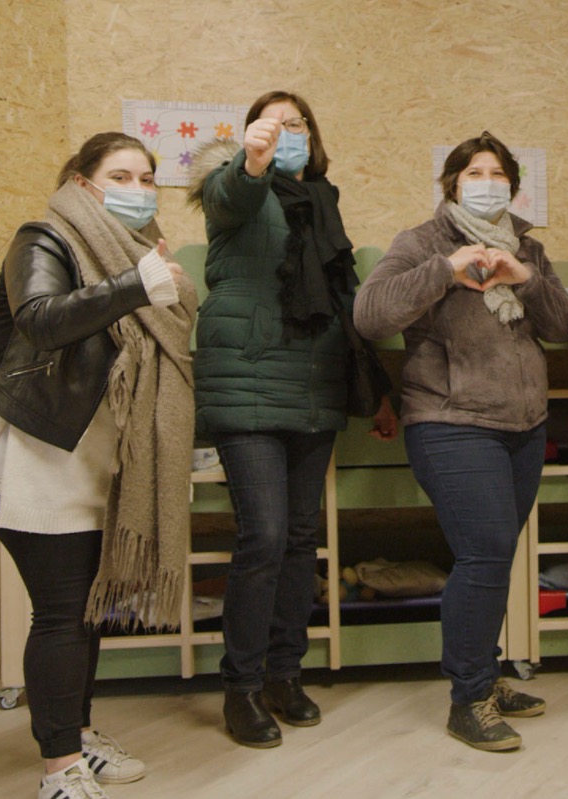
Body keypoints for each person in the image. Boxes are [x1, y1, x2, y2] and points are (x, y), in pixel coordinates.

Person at [0, 132, 195, 799]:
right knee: (62, 609)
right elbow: (39, 319)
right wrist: (136, 284)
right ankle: (59, 769)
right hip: (33, 451)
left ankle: (76, 734)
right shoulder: (44, 237)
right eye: (121, 174)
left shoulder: (139, 252)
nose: (139, 188)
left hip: (91, 457)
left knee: (84, 610)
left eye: (148, 177)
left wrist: (141, 278)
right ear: (83, 183)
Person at [354, 131, 568, 751]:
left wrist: (524, 277)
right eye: (473, 171)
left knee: (496, 555)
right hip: (450, 421)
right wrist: (445, 271)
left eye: (497, 172)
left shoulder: (528, 245)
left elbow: (561, 325)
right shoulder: (420, 243)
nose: (487, 180)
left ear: (513, 185)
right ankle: (469, 697)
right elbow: (370, 314)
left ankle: (489, 674)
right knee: (483, 553)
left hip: (523, 424)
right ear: (452, 184)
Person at [189, 90, 397, 749]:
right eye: (273, 124)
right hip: (248, 386)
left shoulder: (324, 203)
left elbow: (345, 303)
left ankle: (284, 672)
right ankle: (241, 687)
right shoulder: (237, 192)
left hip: (315, 388)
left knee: (300, 540)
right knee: (265, 536)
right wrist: (250, 162)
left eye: (297, 123)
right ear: (253, 134)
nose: (287, 133)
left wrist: (377, 390)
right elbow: (229, 198)